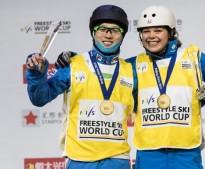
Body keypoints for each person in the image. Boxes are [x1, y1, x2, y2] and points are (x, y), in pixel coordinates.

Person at [55, 5, 205, 169]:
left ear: (171, 32)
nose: (151, 36)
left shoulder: (193, 57)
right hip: (149, 155)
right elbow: (102, 71)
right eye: (145, 31)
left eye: (158, 30)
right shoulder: (132, 66)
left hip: (186, 153)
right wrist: (73, 58)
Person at [26, 4, 134, 169]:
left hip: (117, 160)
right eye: (102, 29)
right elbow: (40, 98)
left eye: (115, 30)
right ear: (93, 32)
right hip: (79, 160)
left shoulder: (131, 70)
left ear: (123, 35)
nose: (108, 35)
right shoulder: (72, 65)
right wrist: (36, 72)